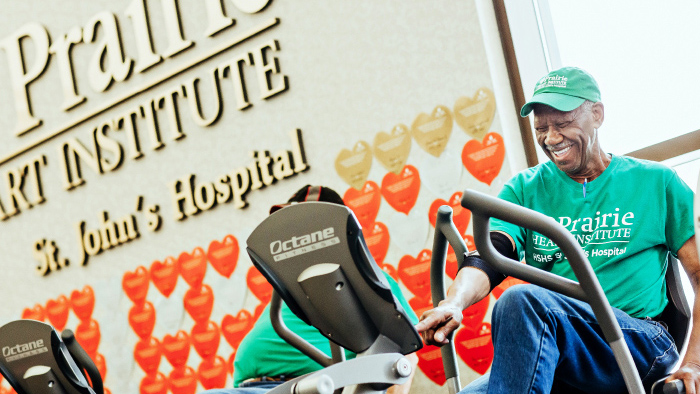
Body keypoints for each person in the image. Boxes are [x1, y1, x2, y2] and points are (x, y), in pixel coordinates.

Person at [416, 67, 700, 393]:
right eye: (541, 128)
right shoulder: (526, 189)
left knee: (522, 301)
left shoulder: (655, 182)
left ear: (597, 114)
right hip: (560, 344)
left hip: (637, 341)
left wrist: (693, 363)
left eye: (562, 124)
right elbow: (489, 254)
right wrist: (454, 302)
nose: (550, 139)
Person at [204, 184, 419, 394]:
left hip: (310, 387)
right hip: (248, 387)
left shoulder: (370, 276)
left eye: (300, 224)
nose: (292, 235)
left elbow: (405, 356)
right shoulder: (290, 282)